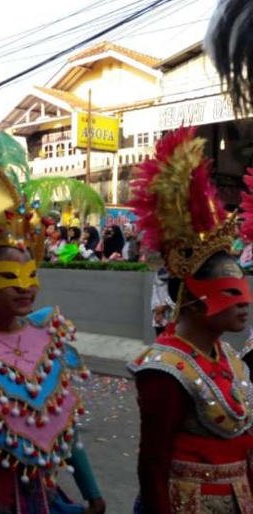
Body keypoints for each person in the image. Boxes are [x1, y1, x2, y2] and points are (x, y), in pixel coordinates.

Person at [0, 150, 105, 514]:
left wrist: (92, 491)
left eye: (31, 276)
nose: (25, 288)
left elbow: (63, 425)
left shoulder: (49, 339)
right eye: (10, 278)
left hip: (44, 498)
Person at [128, 127, 253, 513]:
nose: (246, 304)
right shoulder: (164, 371)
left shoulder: (232, 360)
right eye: (231, 293)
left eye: (245, 291)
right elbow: (152, 465)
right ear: (195, 300)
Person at [150, 267, 173, 337]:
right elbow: (155, 296)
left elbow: (171, 296)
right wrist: (158, 312)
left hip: (170, 316)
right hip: (159, 316)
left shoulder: (172, 280)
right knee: (160, 335)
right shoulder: (157, 279)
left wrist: (166, 305)